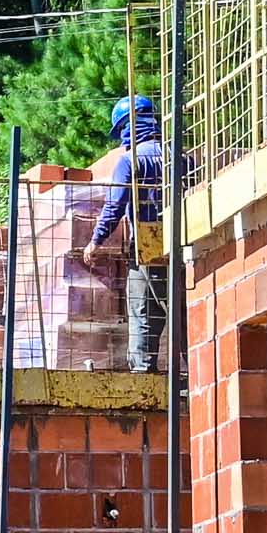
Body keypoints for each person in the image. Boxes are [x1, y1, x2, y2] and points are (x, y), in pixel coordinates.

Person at [87, 94, 171, 374]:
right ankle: (152, 371)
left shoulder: (130, 161)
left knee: (154, 311)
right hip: (181, 244)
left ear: (127, 127)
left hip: (148, 245)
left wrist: (96, 240)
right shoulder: (181, 157)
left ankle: (152, 373)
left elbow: (115, 205)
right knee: (165, 310)